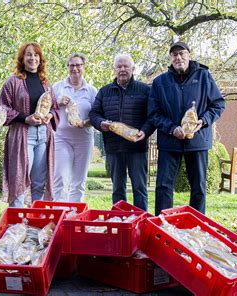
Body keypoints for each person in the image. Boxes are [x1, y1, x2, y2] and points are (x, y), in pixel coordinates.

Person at [148, 41, 225, 215]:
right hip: (170, 141)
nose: (179, 58)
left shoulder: (204, 76)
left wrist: (203, 121)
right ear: (170, 58)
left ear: (189, 55)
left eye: (182, 53)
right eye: (174, 55)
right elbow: (153, 113)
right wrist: (172, 128)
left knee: (198, 186)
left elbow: (218, 104)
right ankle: (162, 224)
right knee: (163, 186)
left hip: (197, 141)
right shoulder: (160, 82)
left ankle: (196, 224)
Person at [89, 54, 154, 211]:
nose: (122, 69)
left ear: (133, 68)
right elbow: (94, 114)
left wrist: (145, 131)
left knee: (140, 189)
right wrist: (100, 123)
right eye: (119, 66)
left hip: (137, 148)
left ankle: (142, 222)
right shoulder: (104, 91)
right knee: (118, 189)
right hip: (114, 148)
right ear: (114, 69)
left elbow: (153, 116)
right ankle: (120, 222)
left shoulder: (145, 90)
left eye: (126, 66)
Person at [0, 42, 59, 208]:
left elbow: (54, 108)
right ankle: (15, 224)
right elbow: (2, 108)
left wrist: (49, 115)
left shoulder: (45, 83)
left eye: (36, 55)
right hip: (23, 135)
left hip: (43, 136)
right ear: (22, 59)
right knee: (19, 179)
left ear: (40, 59)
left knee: (39, 181)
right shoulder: (13, 82)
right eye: (29, 55)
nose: (33, 58)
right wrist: (25, 118)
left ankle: (34, 220)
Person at [52, 53, 97, 202]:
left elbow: (97, 115)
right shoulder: (57, 87)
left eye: (78, 65)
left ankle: (74, 215)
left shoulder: (91, 90)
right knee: (60, 178)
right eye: (71, 65)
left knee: (79, 181)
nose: (75, 68)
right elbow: (46, 110)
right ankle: (60, 214)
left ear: (83, 67)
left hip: (84, 139)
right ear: (67, 67)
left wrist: (86, 122)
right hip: (61, 138)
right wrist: (57, 102)